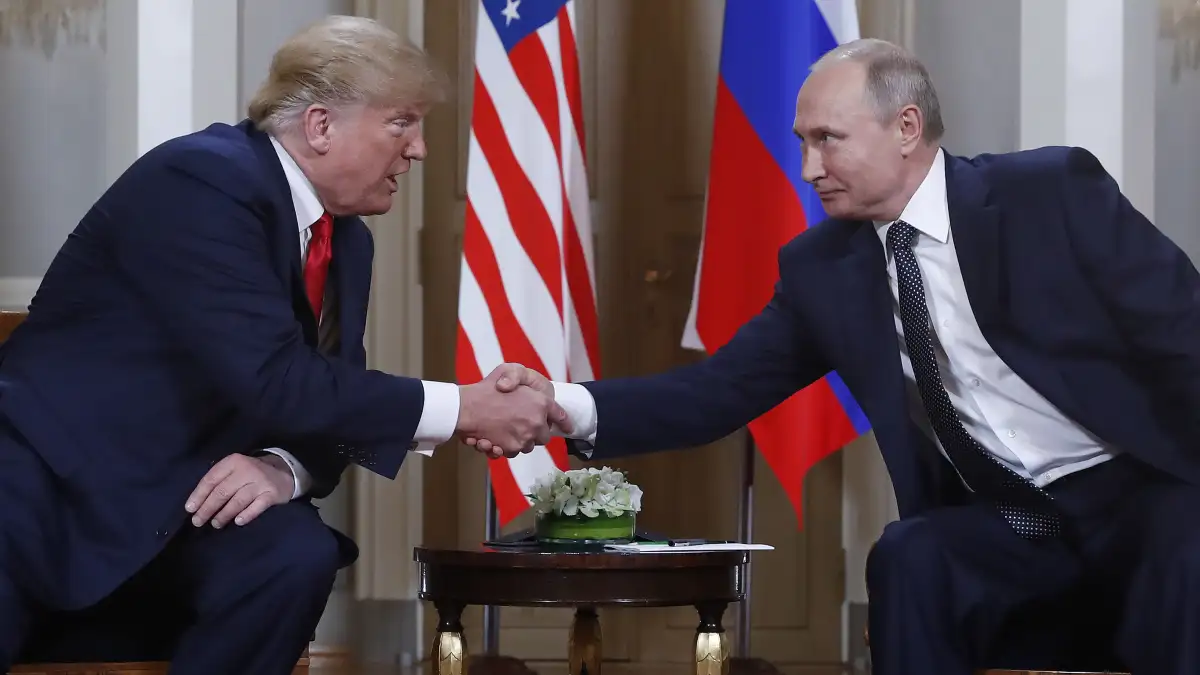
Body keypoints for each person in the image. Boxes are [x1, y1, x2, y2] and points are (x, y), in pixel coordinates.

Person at [472, 39, 1200, 674]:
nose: (808, 166)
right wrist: (560, 403)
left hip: (1137, 494)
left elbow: (1183, 336)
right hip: (1009, 519)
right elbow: (716, 392)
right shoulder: (825, 269)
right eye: (801, 142)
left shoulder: (1048, 193)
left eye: (828, 140)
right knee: (911, 554)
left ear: (906, 128)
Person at [0, 15, 566, 674]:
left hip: (181, 498)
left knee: (292, 554)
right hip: (51, 486)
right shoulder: (203, 182)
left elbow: (330, 394)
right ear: (321, 126)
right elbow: (276, 376)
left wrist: (283, 467)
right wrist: (464, 407)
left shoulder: (346, 237)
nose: (419, 150)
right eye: (401, 123)